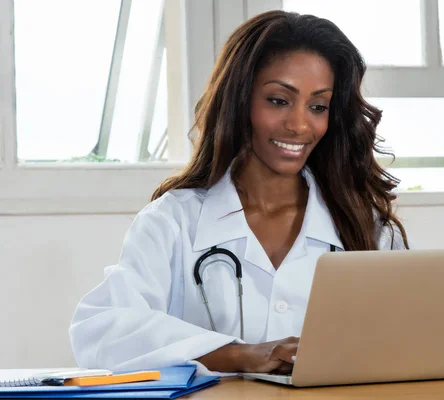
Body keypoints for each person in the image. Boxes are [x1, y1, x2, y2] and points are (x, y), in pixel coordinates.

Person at [69, 10, 410, 376]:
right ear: (239, 99)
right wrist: (238, 354)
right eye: (278, 100)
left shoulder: (365, 224)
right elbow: (101, 331)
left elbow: (416, 335)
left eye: (318, 106)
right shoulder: (174, 220)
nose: (298, 125)